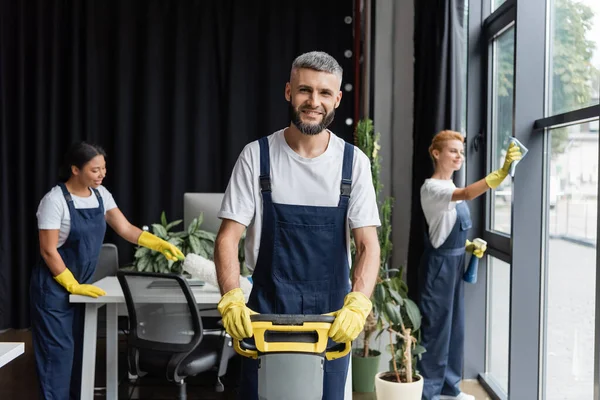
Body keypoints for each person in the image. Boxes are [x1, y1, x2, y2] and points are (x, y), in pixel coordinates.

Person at [214, 51, 381, 399]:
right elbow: (228, 238)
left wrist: (359, 302)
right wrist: (231, 296)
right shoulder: (256, 156)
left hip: (331, 320)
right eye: (305, 90)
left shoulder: (353, 164)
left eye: (324, 93)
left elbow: (368, 244)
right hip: (264, 317)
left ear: (337, 99)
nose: (313, 102)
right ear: (289, 91)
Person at [30, 142, 184, 399]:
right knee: (57, 355)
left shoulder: (101, 195)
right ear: (75, 169)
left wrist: (157, 243)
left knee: (81, 350)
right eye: (94, 170)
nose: (101, 174)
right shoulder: (54, 201)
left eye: (103, 168)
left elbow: (125, 229)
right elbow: (48, 251)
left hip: (84, 286)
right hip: (53, 289)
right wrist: (70, 284)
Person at [418, 130, 522, 400]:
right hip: (439, 268)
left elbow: (442, 229)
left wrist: (468, 246)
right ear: (436, 153)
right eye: (453, 151)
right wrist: (499, 173)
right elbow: (466, 193)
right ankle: (429, 393)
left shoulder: (449, 190)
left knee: (454, 330)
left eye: (461, 152)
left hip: (453, 264)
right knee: (436, 331)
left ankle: (450, 390)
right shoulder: (433, 188)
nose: (459, 156)